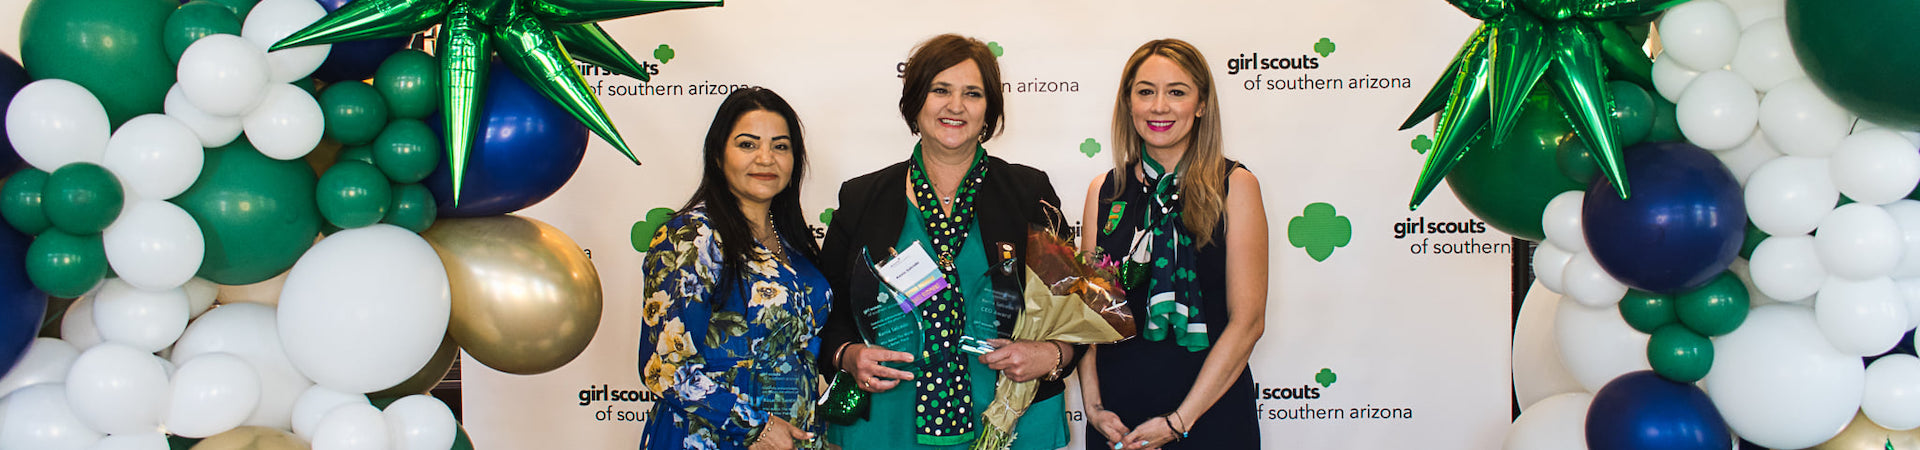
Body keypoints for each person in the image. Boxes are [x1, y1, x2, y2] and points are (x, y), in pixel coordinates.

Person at [815, 33, 1083, 449]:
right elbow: (826, 310)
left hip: (1007, 418)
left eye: (972, 94)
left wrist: (1053, 355)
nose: (955, 106)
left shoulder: (1028, 191)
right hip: (888, 422)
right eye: (940, 90)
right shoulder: (862, 197)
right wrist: (846, 354)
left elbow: (1077, 306)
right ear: (915, 99)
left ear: (989, 108)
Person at [1077, 39, 1269, 450]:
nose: (1158, 106)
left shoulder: (1235, 186)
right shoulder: (1104, 191)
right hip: (1118, 424)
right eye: (1145, 91)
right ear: (1129, 103)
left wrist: (1180, 421)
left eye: (1176, 92)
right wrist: (1092, 408)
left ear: (1201, 105)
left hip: (1209, 417)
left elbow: (1248, 322)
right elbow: (1089, 316)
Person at [639, 87, 827, 450]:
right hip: (714, 439)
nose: (766, 158)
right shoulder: (692, 236)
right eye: (747, 144)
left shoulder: (793, 243)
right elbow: (663, 367)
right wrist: (755, 426)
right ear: (718, 153)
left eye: (780, 146)